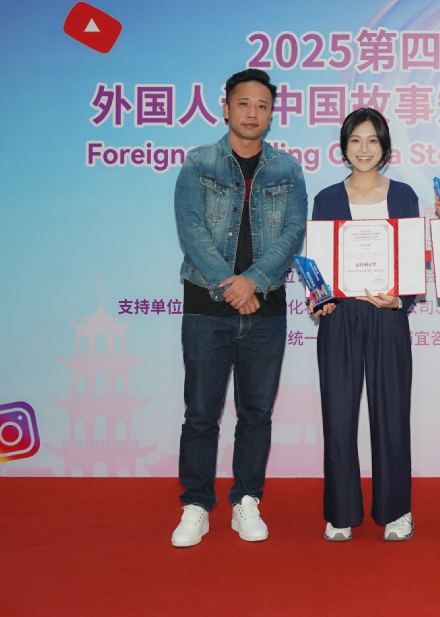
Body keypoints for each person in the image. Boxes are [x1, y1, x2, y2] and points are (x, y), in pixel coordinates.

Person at [170, 68, 307, 547]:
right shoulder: (198, 163)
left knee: (256, 414)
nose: (252, 113)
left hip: (265, 310)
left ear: (272, 114)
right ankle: (196, 504)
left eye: (262, 106)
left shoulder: (287, 169)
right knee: (201, 414)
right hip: (206, 308)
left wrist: (254, 282)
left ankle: (246, 499)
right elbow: (191, 229)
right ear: (225, 107)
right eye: (244, 103)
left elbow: (293, 233)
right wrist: (231, 286)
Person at [309, 108, 420, 542]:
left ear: (385, 146)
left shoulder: (404, 195)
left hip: (387, 315)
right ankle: (340, 512)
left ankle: (396, 510)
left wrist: (401, 300)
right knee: (338, 416)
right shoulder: (326, 198)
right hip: (340, 319)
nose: (364, 149)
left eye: (373, 140)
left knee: (392, 415)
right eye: (355, 140)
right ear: (343, 146)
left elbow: (412, 261)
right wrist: (319, 299)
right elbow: (318, 264)